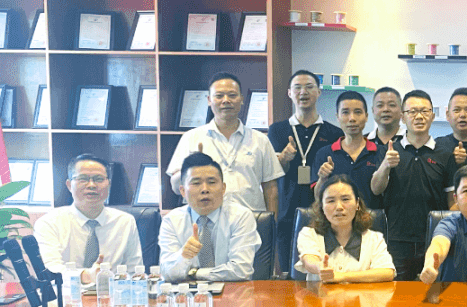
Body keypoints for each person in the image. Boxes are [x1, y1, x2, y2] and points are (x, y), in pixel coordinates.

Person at [167, 72, 284, 216]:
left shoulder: (260, 140)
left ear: (241, 99)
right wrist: (191, 166)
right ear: (209, 100)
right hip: (205, 220)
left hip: (250, 221)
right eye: (219, 96)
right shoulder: (191, 137)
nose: (226, 100)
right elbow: (175, 187)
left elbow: (271, 189)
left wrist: (272, 224)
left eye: (232, 95)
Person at [371, 89, 456, 281]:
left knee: (434, 290)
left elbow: (452, 202)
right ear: (403, 117)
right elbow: (376, 189)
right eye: (412, 111)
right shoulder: (388, 150)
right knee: (397, 293)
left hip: (435, 237)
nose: (419, 116)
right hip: (397, 238)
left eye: (424, 111)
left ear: (432, 116)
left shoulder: (445, 154)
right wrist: (386, 165)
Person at [268, 70, 343, 275]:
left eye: (309, 87)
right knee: (289, 272)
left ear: (319, 92)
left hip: (323, 212)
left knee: (322, 270)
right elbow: (271, 174)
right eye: (298, 88)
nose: (303, 92)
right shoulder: (277, 130)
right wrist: (283, 159)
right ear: (289, 93)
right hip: (286, 210)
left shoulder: (334, 133)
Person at [35, 154, 143, 282]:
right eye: (83, 179)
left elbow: (134, 271)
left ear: (109, 184)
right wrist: (85, 276)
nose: (91, 185)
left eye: (99, 179)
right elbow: (51, 269)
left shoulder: (125, 221)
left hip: (112, 292)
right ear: (69, 185)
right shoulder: (49, 223)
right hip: (65, 293)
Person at [159, 153, 262, 282]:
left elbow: (241, 270)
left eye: (212, 182)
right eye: (196, 183)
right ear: (183, 191)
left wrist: (194, 273)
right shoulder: (171, 221)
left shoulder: (241, 217)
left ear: (223, 188)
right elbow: (166, 273)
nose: (205, 189)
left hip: (233, 292)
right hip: (187, 292)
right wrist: (183, 256)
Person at [295, 175, 395, 283]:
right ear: (322, 206)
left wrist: (342, 276)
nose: (339, 207)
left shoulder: (374, 238)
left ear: (357, 204)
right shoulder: (309, 234)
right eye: (331, 201)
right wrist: (319, 267)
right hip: (320, 294)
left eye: (345, 199)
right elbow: (308, 259)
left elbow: (387, 272)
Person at [313, 91, 381, 210]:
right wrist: (323, 178)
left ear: (366, 116)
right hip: (337, 218)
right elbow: (318, 197)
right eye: (345, 112)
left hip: (371, 219)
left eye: (358, 112)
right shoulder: (324, 154)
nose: (352, 118)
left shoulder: (380, 152)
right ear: (338, 117)